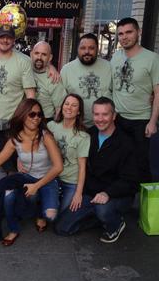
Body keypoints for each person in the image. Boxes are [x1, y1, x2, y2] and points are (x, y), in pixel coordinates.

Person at [0, 99, 63, 246]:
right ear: (22, 115)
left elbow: (58, 167)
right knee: (8, 195)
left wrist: (37, 186)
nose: (37, 118)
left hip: (47, 179)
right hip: (26, 177)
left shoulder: (45, 136)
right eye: (32, 114)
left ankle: (40, 212)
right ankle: (13, 228)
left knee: (51, 216)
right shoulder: (15, 140)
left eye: (39, 114)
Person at [55, 97, 139, 243]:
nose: (100, 119)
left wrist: (108, 193)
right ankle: (98, 218)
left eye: (105, 114)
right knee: (62, 227)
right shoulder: (89, 134)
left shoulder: (126, 142)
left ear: (114, 116)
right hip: (92, 194)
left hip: (117, 195)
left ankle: (115, 224)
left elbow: (131, 180)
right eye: (96, 114)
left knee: (103, 210)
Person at [110, 17, 159, 183]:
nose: (124, 37)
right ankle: (122, 198)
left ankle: (145, 203)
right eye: (120, 34)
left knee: (140, 163)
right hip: (118, 118)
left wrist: (153, 122)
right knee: (119, 160)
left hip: (141, 120)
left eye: (129, 32)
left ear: (138, 32)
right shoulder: (116, 56)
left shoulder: (152, 58)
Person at [0, 25, 36, 172]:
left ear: (14, 39)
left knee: (12, 167)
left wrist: (29, 122)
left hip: (11, 124)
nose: (5, 40)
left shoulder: (23, 61)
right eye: (2, 36)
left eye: (9, 37)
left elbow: (30, 94)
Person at [47, 94, 90, 212]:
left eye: (74, 105)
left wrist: (78, 193)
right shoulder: (51, 126)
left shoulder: (83, 136)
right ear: (61, 107)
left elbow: (82, 167)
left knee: (63, 216)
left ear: (79, 112)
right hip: (52, 177)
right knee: (50, 215)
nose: (69, 108)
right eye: (66, 104)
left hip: (71, 182)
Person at [60, 33, 112, 128]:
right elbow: (60, 100)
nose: (87, 51)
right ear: (77, 49)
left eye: (91, 48)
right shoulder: (66, 70)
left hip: (103, 126)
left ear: (98, 49)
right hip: (75, 126)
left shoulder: (109, 67)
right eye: (83, 48)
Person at [31, 41, 66, 120]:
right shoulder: (24, 70)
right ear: (31, 54)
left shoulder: (54, 79)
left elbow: (59, 108)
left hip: (45, 120)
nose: (39, 57)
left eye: (44, 54)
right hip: (24, 119)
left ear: (50, 58)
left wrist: (53, 127)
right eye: (36, 53)